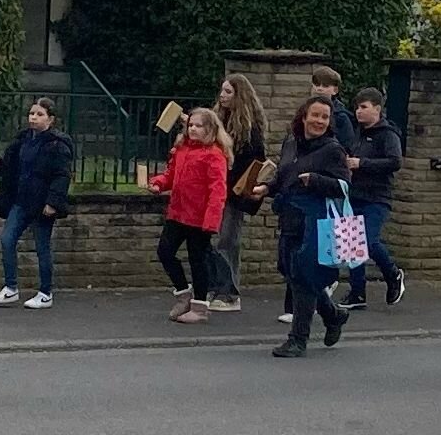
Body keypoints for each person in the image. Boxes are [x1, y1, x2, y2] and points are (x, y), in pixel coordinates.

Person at [251, 95, 351, 357]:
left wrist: (316, 180)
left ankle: (298, 340)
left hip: (314, 222)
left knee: (304, 277)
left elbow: (343, 186)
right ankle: (333, 315)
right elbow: (284, 176)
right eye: (315, 115)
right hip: (290, 217)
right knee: (289, 270)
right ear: (304, 116)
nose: (319, 121)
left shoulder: (333, 150)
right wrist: (266, 188)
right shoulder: (291, 143)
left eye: (325, 117)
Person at [0, 98, 74, 309]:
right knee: (7, 239)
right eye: (32, 113)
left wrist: (52, 202)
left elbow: (61, 176)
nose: (33, 117)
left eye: (39, 114)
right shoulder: (23, 140)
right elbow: (13, 169)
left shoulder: (57, 145)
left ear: (50, 119)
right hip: (21, 201)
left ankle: (45, 293)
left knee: (42, 247)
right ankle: (10, 288)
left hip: (42, 204)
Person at [149, 108, 231, 324]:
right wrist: (158, 183)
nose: (193, 129)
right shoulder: (182, 149)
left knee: (198, 261)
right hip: (177, 212)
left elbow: (218, 190)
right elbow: (171, 175)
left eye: (198, 126)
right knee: (165, 252)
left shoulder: (214, 154)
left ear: (210, 129)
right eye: (191, 125)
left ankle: (200, 306)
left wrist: (211, 220)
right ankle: (183, 293)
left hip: (199, 217)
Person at [338, 87, 406, 309]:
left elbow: (395, 162)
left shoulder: (388, 134)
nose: (359, 111)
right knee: (352, 244)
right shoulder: (357, 133)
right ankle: (357, 292)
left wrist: (362, 164)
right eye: (357, 107)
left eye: (364, 107)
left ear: (377, 109)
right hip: (354, 194)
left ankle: (393, 273)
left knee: (368, 240)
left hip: (376, 197)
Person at [206, 74, 268, 312]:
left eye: (228, 92)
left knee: (227, 240)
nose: (222, 96)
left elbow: (254, 162)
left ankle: (230, 293)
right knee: (212, 240)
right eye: (222, 91)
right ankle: (214, 286)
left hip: (233, 192)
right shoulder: (219, 122)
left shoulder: (249, 131)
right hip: (216, 189)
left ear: (239, 96)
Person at [311, 65, 355, 149]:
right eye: (317, 84)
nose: (319, 89)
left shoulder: (340, 116)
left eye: (325, 86)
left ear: (335, 90)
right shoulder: (305, 111)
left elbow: (348, 146)